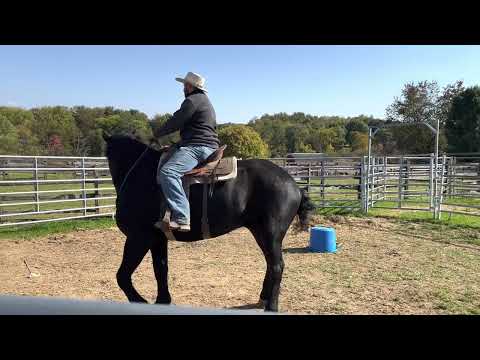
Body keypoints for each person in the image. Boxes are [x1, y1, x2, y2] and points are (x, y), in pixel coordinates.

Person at [153, 72, 219, 231]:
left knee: (168, 172)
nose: (183, 88)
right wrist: (176, 145)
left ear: (190, 86)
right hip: (202, 143)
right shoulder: (203, 101)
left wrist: (156, 134)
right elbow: (197, 130)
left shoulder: (192, 100)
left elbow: (176, 121)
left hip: (198, 147)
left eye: (185, 85)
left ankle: (182, 217)